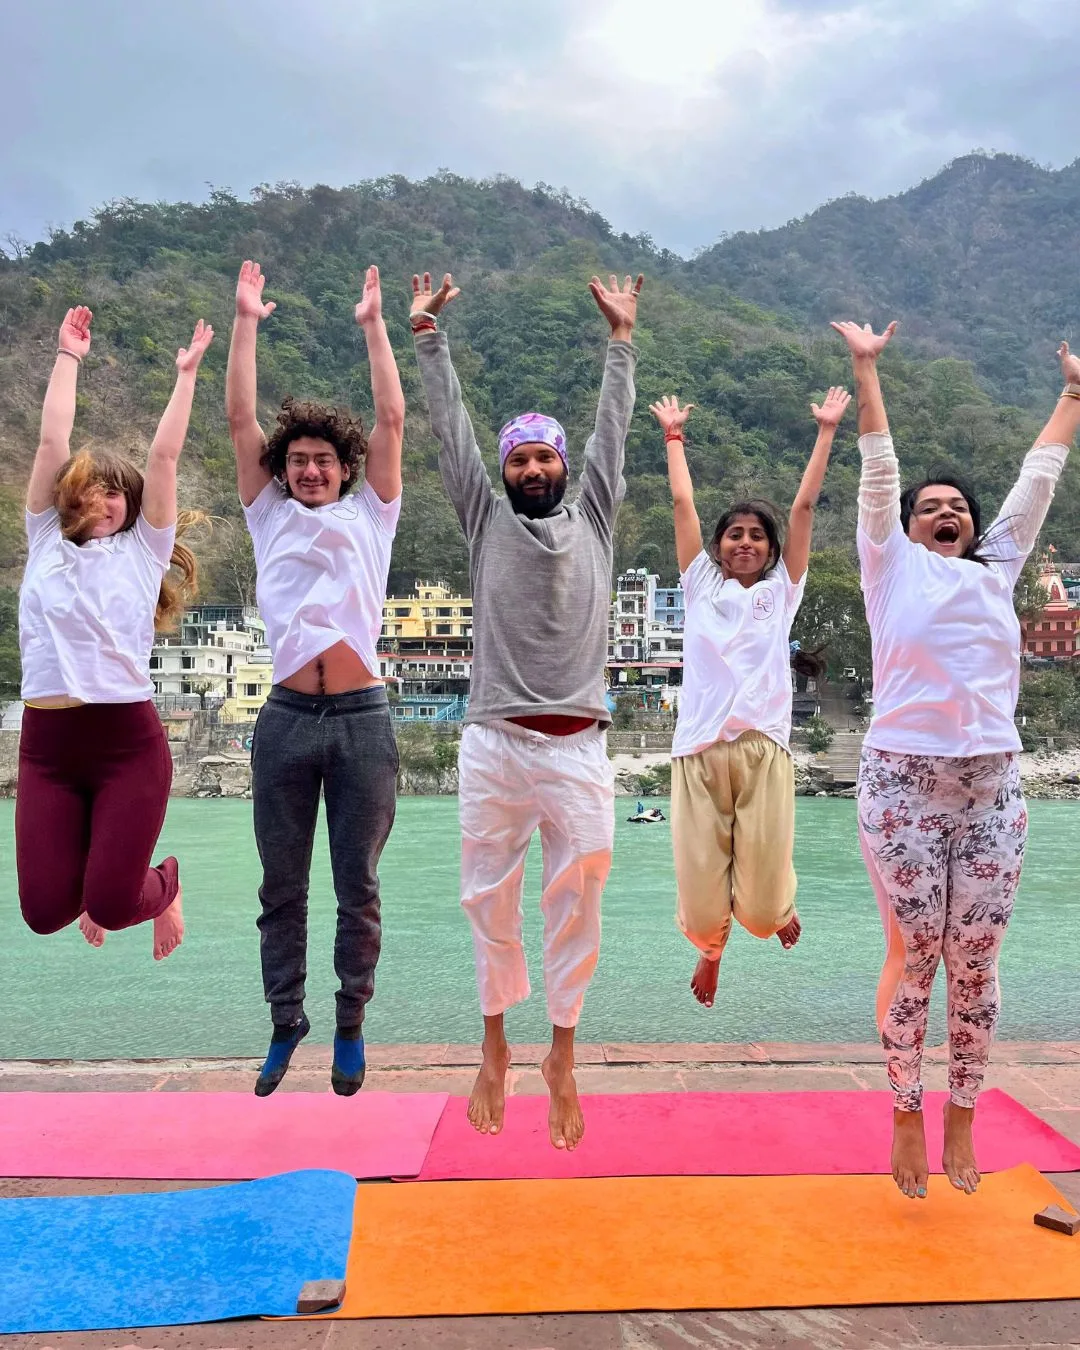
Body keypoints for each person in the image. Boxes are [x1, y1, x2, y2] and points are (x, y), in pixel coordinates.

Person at [834, 318, 1080, 1200]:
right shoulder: (888, 566)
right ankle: (906, 1106)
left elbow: (1036, 482)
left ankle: (965, 1112)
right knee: (919, 952)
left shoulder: (996, 566)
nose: (948, 510)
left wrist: (1073, 395)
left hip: (992, 787)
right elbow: (878, 471)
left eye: (958, 507)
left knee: (976, 957)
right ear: (903, 527)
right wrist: (866, 370)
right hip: (904, 782)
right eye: (931, 505)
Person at [409, 269, 641, 1149]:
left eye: (544, 455)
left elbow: (612, 431)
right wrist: (429, 335)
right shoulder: (485, 519)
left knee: (578, 903)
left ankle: (564, 1055)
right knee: (488, 901)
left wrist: (622, 340)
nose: (534, 466)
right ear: (505, 472)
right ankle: (496, 1046)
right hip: (495, 743)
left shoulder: (596, 517)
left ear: (562, 467)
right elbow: (448, 433)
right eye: (521, 457)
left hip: (579, 746)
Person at [225, 260, 404, 1097]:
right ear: (281, 468)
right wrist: (246, 319)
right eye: (295, 459)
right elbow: (235, 418)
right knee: (281, 882)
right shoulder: (266, 516)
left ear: (344, 467)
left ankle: (351, 1022)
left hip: (363, 717)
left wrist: (373, 324)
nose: (308, 470)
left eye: (322, 460)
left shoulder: (374, 514)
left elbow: (394, 418)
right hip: (289, 716)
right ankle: (283, 1018)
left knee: (358, 885)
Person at [17, 306, 212, 959]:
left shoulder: (143, 551)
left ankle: (163, 882)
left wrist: (185, 377)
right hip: (46, 749)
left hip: (125, 743)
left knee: (109, 901)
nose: (100, 502)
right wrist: (67, 357)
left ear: (129, 505)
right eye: (86, 491)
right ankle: (109, 881)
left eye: (113, 494)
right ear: (65, 499)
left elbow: (163, 454)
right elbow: (51, 443)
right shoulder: (44, 538)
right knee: (45, 911)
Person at [651, 386, 850, 1008]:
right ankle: (711, 951)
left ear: (770, 551)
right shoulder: (699, 585)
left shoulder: (781, 591)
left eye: (756, 537)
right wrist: (673, 436)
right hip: (699, 753)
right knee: (702, 906)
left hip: (764, 751)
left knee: (762, 912)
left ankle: (774, 908)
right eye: (734, 534)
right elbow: (682, 501)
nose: (745, 542)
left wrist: (825, 431)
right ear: (716, 547)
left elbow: (806, 507)